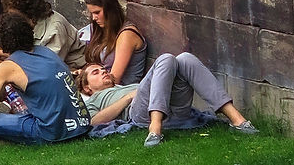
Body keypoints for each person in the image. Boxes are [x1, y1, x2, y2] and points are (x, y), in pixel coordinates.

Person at [76, 55, 259, 147]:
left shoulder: (124, 85)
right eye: (95, 72)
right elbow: (93, 122)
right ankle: (155, 129)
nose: (103, 72)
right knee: (166, 58)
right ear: (86, 88)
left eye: (103, 69)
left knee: (185, 58)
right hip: (140, 115)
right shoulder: (94, 99)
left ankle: (238, 120)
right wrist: (127, 98)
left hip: (175, 113)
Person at [0, 11, 91, 145]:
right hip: (82, 126)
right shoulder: (46, 52)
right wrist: (1, 52)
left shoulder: (7, 68)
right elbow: (25, 58)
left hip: (51, 133)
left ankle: (8, 140)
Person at [80, 0, 148, 86]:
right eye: (92, 13)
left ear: (109, 9)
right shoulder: (100, 29)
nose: (94, 18)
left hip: (120, 91)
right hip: (99, 87)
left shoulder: (127, 35)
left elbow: (113, 80)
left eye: (97, 12)